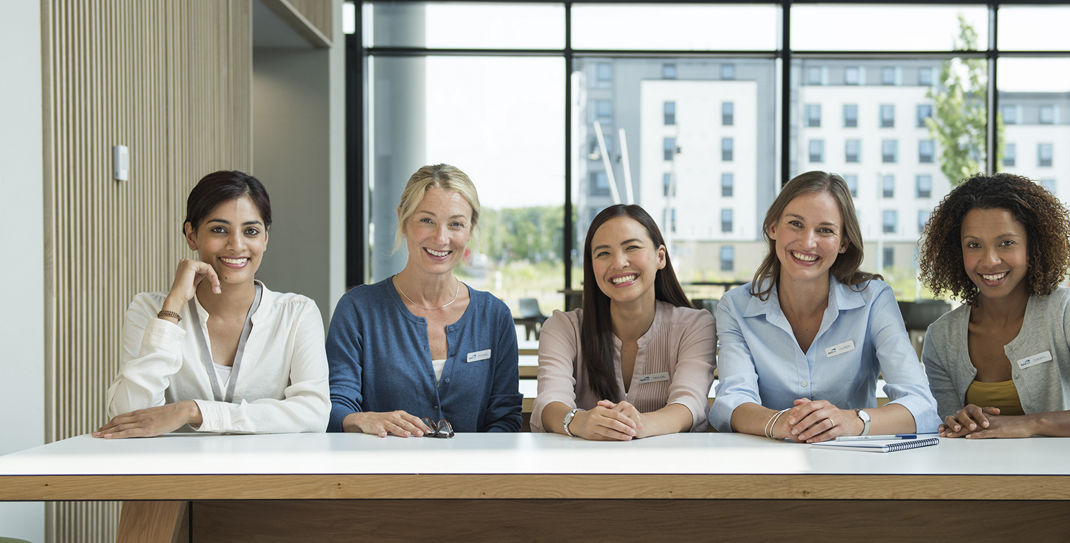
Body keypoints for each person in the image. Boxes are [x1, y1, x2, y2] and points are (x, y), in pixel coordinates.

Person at [918, 173, 1070, 438]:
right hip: (980, 478)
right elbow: (946, 435)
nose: (990, 260)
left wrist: (1034, 423)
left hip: (1069, 475)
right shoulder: (942, 337)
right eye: (974, 245)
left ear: (1033, 245)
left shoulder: (1068, 311)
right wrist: (958, 422)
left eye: (1006, 243)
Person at [710, 171, 940, 442]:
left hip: (855, 467)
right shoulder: (735, 306)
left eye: (825, 230)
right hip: (766, 464)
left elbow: (922, 407)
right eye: (795, 224)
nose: (808, 242)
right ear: (773, 227)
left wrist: (851, 420)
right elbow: (732, 402)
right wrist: (780, 422)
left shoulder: (874, 299)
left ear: (843, 242)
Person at [96, 171, 329, 438]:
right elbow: (126, 415)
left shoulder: (297, 313)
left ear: (265, 238)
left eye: (251, 231)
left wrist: (194, 411)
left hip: (266, 476)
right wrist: (172, 307)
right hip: (173, 476)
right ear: (191, 235)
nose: (236, 245)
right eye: (219, 229)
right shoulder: (150, 309)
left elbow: (314, 414)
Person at [327, 164, 521, 437]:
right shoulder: (358, 310)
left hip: (473, 476)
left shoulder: (494, 316)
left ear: (470, 229)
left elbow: (506, 419)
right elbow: (336, 407)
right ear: (403, 220)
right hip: (382, 474)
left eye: (455, 224)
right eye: (427, 220)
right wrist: (361, 419)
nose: (441, 238)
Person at [532, 205, 716, 440]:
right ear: (591, 266)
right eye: (603, 253)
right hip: (584, 469)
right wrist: (580, 422)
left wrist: (640, 424)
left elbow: (690, 404)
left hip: (671, 468)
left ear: (660, 257)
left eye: (632, 248)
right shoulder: (562, 328)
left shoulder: (695, 325)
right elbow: (549, 402)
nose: (618, 263)